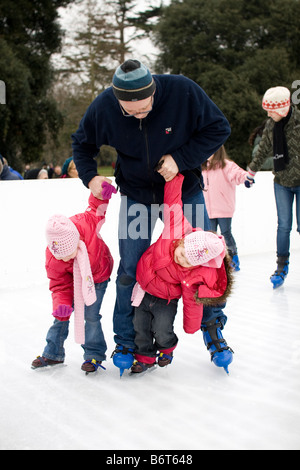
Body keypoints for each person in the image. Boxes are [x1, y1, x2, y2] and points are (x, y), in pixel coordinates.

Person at [72, 59, 231, 375]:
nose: (139, 115)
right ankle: (127, 341)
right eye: (131, 111)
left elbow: (219, 128)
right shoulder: (104, 106)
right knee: (130, 270)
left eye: (145, 108)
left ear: (154, 91)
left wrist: (181, 159)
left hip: (184, 191)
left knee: (206, 263)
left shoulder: (182, 91)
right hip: (137, 195)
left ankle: (214, 333)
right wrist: (90, 177)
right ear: (118, 101)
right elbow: (82, 143)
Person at [130, 173, 233, 375]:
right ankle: (145, 357)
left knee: (162, 330)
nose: (181, 259)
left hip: (165, 300)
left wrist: (191, 326)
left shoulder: (192, 275)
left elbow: (192, 303)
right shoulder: (176, 228)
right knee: (139, 327)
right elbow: (173, 203)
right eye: (183, 253)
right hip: (144, 289)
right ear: (184, 241)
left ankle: (167, 349)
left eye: (188, 261)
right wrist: (173, 179)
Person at [31, 182, 116, 373]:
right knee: (60, 316)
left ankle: (93, 355)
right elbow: (59, 286)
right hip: (71, 281)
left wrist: (104, 193)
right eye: (60, 256)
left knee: (90, 315)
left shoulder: (85, 224)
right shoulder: (54, 258)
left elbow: (96, 207)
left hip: (98, 275)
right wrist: (61, 305)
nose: (65, 258)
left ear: (76, 241)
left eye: (68, 254)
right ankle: (53, 353)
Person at [246, 86, 300, 289]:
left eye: (271, 110)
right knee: (283, 226)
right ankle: (281, 266)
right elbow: (262, 151)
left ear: (283, 107)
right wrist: (251, 172)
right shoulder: (271, 125)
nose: (268, 114)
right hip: (282, 183)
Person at [202, 145, 250, 271]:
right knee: (210, 237)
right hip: (208, 210)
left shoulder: (227, 165)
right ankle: (215, 260)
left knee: (226, 233)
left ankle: (234, 257)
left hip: (223, 208)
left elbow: (238, 174)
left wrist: (246, 178)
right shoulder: (201, 168)